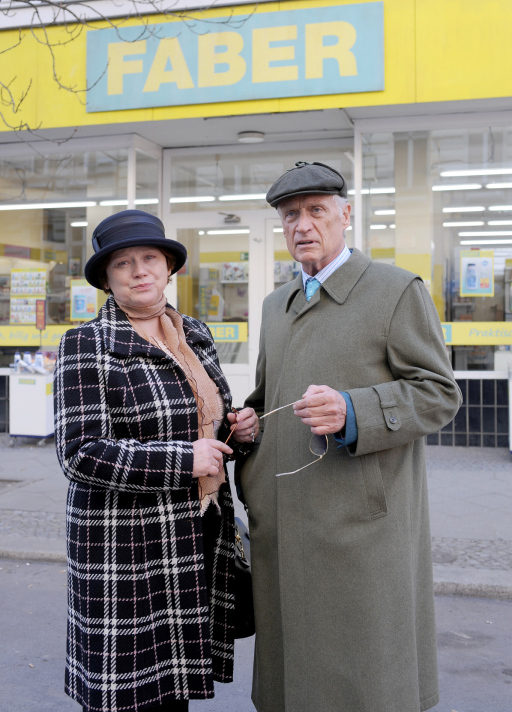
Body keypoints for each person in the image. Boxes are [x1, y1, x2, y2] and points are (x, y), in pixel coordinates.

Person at [239, 162, 462, 712]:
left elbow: (438, 393)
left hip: (359, 528)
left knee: (362, 678)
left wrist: (354, 409)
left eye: (316, 210)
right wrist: (246, 423)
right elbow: (269, 397)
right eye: (290, 215)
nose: (302, 225)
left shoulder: (394, 290)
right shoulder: (276, 305)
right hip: (285, 522)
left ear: (346, 215)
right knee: (292, 678)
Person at [54, 209, 258, 712]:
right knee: (127, 696)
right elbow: (80, 452)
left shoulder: (197, 335)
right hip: (124, 547)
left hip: (193, 533)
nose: (139, 270)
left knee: (171, 694)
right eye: (123, 263)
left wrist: (240, 428)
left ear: (170, 268)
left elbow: (208, 419)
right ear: (107, 278)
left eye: (150, 258)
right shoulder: (87, 344)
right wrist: (183, 460)